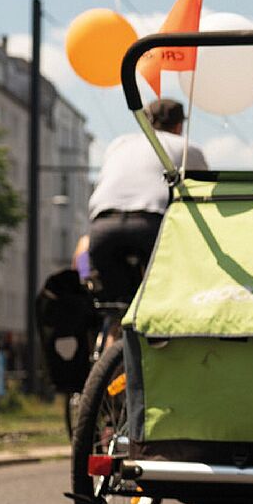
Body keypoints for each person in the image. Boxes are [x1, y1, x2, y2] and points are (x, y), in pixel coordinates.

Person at [88, 98, 207, 338]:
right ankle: (162, 345)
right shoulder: (186, 148)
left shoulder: (119, 143)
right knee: (165, 296)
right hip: (149, 224)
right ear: (178, 126)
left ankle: (109, 360)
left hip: (103, 228)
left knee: (119, 311)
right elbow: (203, 195)